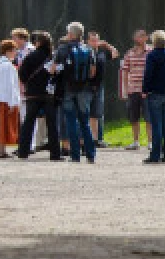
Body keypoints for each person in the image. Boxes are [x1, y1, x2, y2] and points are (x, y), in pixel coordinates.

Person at [54, 21, 96, 163]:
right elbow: (92, 72)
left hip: (67, 89)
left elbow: (54, 68)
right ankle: (90, 154)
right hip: (84, 89)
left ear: (71, 34)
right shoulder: (89, 49)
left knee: (71, 121)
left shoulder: (62, 49)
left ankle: (75, 155)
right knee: (85, 121)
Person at [16, 32, 61, 161]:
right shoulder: (54, 57)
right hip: (49, 94)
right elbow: (59, 74)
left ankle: (23, 151)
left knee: (28, 123)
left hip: (33, 94)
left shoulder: (31, 56)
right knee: (52, 124)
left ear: (39, 43)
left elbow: (22, 74)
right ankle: (55, 154)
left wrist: (28, 85)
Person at [142, 30, 165, 164]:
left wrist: (145, 90)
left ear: (154, 42)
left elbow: (148, 74)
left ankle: (155, 155)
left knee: (156, 125)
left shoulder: (151, 56)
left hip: (155, 93)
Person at [0, 39, 21, 158]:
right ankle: (1, 151)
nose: (15, 52)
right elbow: (11, 86)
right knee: (4, 125)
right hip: (5, 99)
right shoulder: (8, 66)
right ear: (8, 51)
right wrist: (13, 102)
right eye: (14, 50)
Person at [86, 31, 119, 147]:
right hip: (87, 87)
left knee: (96, 114)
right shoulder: (85, 52)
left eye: (96, 40)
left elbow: (115, 54)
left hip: (99, 87)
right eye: (92, 40)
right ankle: (87, 138)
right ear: (88, 41)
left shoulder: (102, 52)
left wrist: (107, 45)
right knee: (87, 114)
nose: (95, 43)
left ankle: (95, 139)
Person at [119, 29, 150, 149]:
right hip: (133, 89)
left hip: (146, 90)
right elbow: (125, 71)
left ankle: (150, 142)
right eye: (137, 37)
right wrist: (126, 89)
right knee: (133, 117)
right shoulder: (129, 53)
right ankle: (136, 141)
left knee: (149, 117)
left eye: (142, 36)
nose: (139, 39)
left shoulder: (150, 52)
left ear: (146, 38)